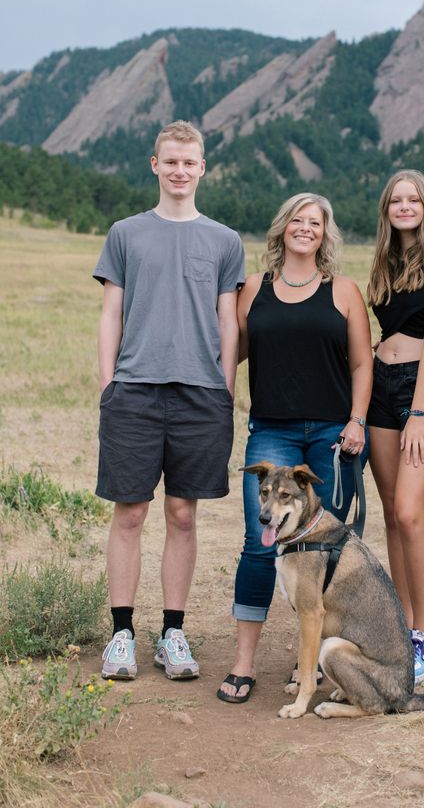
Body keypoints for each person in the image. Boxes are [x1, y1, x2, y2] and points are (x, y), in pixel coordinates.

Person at [94, 120, 245, 681]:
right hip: (133, 392)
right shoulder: (126, 233)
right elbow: (113, 311)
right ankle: (122, 635)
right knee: (130, 511)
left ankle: (173, 633)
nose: (181, 170)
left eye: (190, 162)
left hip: (200, 395)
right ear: (155, 165)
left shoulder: (225, 241)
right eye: (171, 161)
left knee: (183, 514)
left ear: (203, 168)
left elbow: (228, 319)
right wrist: (109, 383)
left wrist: (225, 385)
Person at [217, 193, 372, 703]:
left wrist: (357, 421)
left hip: (331, 434)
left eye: (316, 223)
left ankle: (305, 662)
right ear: (282, 228)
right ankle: (243, 663)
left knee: (321, 551)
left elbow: (361, 365)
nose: (306, 229)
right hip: (272, 433)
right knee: (260, 544)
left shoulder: (345, 291)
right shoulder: (255, 289)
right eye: (297, 221)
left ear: (326, 234)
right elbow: (231, 353)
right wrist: (218, 399)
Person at [366, 170, 424, 685]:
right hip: (380, 384)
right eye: (396, 200)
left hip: (420, 392)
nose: (404, 206)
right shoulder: (384, 261)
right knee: (389, 513)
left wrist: (421, 412)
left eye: (413, 199)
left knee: (410, 511)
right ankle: (401, 624)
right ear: (387, 208)